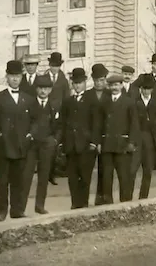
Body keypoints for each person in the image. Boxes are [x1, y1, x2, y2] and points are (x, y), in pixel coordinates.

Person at [0, 60, 36, 221]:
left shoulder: (29, 99)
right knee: (3, 180)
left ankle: (17, 210)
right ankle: (2, 211)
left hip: (21, 146)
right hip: (4, 146)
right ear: (7, 77)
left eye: (18, 76)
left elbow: (36, 120)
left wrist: (31, 134)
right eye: (12, 76)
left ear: (21, 77)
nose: (15, 79)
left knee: (19, 180)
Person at [59, 68, 101, 210]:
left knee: (85, 176)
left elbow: (96, 123)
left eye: (80, 83)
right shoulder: (67, 102)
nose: (77, 86)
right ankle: (74, 203)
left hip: (86, 145)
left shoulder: (91, 100)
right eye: (75, 83)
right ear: (72, 84)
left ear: (85, 82)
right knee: (72, 177)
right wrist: (62, 143)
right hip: (71, 145)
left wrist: (94, 142)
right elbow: (63, 124)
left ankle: (83, 202)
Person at [22, 75, 61, 214]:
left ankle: (40, 205)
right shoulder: (30, 104)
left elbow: (59, 125)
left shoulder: (55, 105)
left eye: (46, 88)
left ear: (50, 90)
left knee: (44, 176)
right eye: (40, 88)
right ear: (36, 89)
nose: (43, 91)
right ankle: (21, 208)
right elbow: (25, 123)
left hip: (47, 144)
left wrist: (55, 140)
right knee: (26, 175)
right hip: (32, 145)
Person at [101, 74, 139, 204]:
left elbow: (134, 124)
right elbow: (99, 123)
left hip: (122, 145)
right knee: (106, 177)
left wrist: (132, 142)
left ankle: (126, 203)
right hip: (107, 145)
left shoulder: (129, 102)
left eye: (117, 85)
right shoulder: (104, 102)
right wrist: (98, 142)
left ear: (122, 85)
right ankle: (107, 204)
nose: (114, 88)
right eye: (112, 85)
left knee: (124, 176)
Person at [129, 74, 156, 199]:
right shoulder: (134, 102)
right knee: (132, 170)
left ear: (152, 89)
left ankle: (143, 197)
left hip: (150, 140)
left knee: (148, 171)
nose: (147, 91)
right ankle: (128, 197)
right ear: (140, 88)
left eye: (149, 88)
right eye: (144, 88)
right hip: (137, 138)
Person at [86, 63, 110, 206]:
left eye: (102, 80)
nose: (99, 83)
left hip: (105, 137)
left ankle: (102, 198)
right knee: (87, 170)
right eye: (96, 80)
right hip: (90, 137)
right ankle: (84, 199)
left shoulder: (109, 94)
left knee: (104, 169)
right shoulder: (88, 95)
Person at [46, 52, 70, 185]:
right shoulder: (43, 78)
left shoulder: (63, 80)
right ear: (49, 65)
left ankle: (52, 173)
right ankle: (46, 173)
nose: (54, 68)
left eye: (57, 66)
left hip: (59, 117)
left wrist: (62, 113)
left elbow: (66, 98)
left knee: (56, 145)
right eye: (52, 65)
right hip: (46, 115)